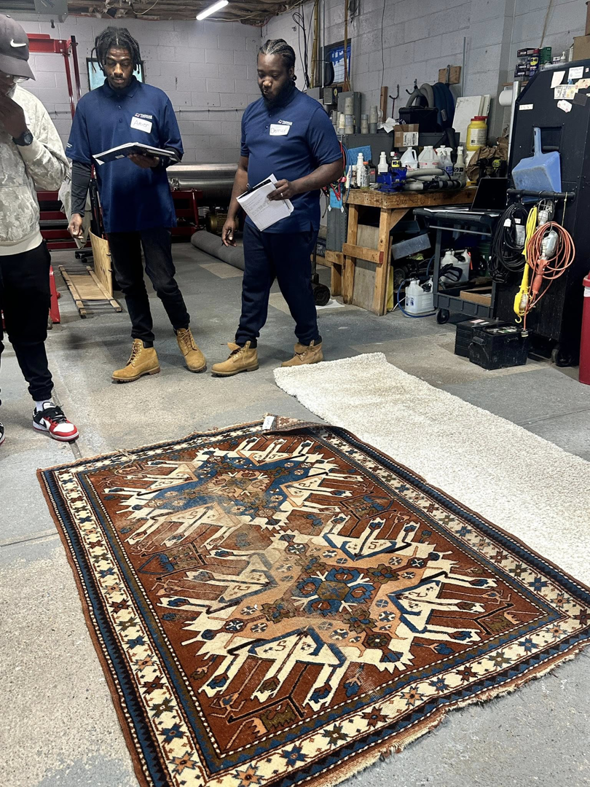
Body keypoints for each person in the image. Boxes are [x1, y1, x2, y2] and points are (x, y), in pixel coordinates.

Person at [67, 27, 205, 383]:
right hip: (116, 209)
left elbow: (175, 148)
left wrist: (156, 161)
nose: (118, 71)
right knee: (128, 282)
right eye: (111, 64)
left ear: (135, 64)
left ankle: (184, 336)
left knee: (163, 281)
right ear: (101, 63)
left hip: (152, 207)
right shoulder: (88, 106)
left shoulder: (156, 99)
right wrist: (76, 209)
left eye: (125, 64)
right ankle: (144, 348)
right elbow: (82, 162)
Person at [211, 39, 343, 377]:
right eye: (261, 75)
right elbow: (243, 168)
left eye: (274, 75)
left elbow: (334, 165)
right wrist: (231, 214)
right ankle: (246, 347)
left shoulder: (310, 114)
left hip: (294, 220)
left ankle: (309, 345)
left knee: (294, 286)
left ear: (290, 74)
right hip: (258, 218)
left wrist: (296, 186)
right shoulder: (252, 114)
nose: (266, 82)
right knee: (253, 283)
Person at [0, 15, 78, 445]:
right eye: (1, 73)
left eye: (14, 74)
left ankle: (43, 403)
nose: (8, 83)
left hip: (26, 246)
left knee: (30, 332)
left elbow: (54, 179)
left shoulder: (28, 106)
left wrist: (23, 136)